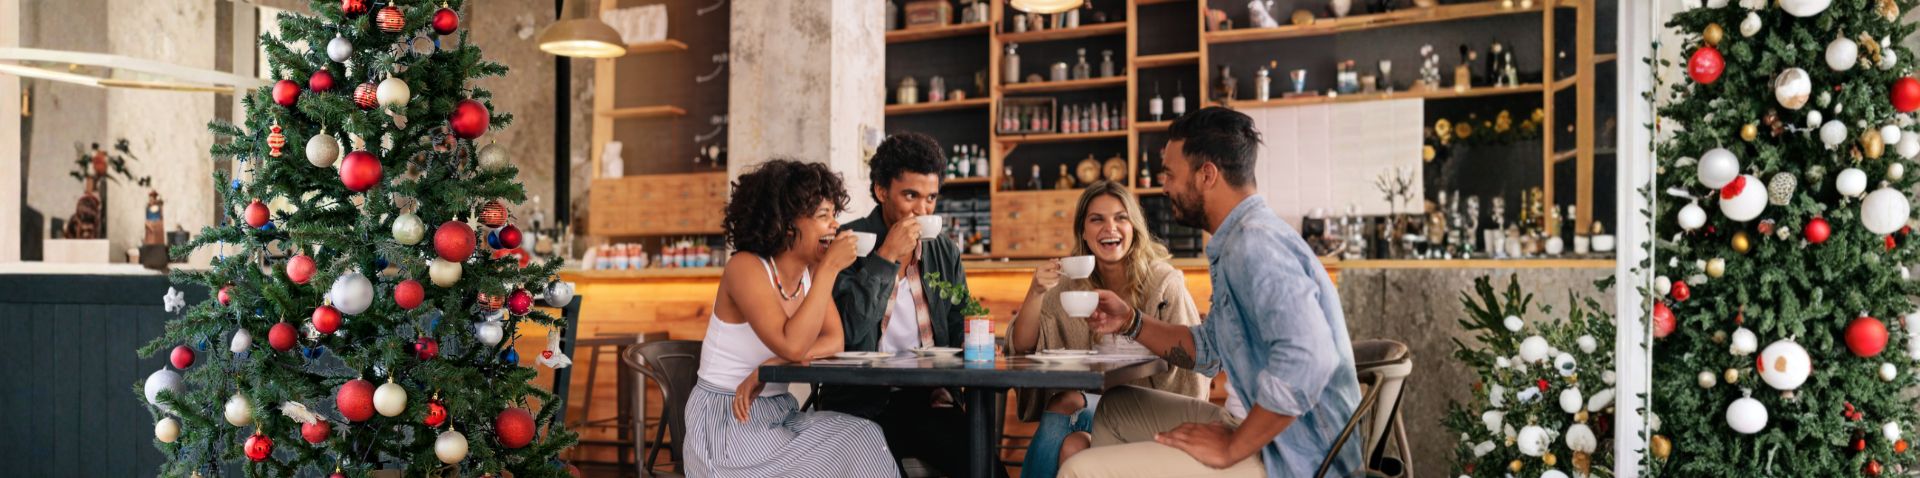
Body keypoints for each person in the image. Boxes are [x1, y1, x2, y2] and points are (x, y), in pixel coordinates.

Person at [1059, 107, 1363, 478]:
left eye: (1170, 174)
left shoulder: (1254, 244)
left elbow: (1308, 356)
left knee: (1078, 468)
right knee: (1116, 407)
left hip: (1296, 457)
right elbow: (1208, 351)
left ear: (1206, 175)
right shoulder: (1241, 237)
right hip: (1268, 432)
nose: (1164, 186)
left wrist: (1232, 446)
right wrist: (1130, 322)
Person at [683, 159, 899, 478]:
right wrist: (830, 268)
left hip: (778, 415)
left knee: (864, 435)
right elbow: (794, 345)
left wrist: (767, 368)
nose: (834, 227)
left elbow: (833, 340)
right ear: (786, 224)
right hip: (728, 423)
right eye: (823, 216)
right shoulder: (745, 268)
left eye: (834, 215)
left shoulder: (809, 273)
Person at [1008, 181, 1208, 478]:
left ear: (1134, 228)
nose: (1109, 227)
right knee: (1073, 440)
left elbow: (1193, 367)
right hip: (1098, 412)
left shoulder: (1163, 283)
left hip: (1155, 413)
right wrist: (1035, 291)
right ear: (1083, 232)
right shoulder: (1070, 284)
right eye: (1097, 219)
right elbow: (1021, 346)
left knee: (1068, 407)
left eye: (1120, 217)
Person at [822, 132, 993, 476]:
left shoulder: (943, 250)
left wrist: (974, 340)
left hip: (929, 399)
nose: (922, 209)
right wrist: (885, 257)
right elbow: (849, 332)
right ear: (882, 191)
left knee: (985, 468)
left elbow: (961, 315)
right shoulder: (849, 245)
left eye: (931, 198)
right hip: (864, 402)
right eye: (910, 195)